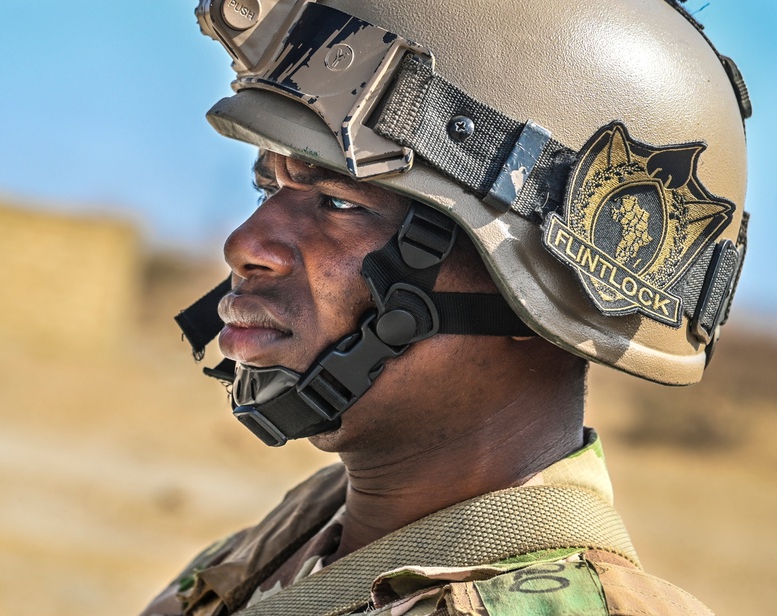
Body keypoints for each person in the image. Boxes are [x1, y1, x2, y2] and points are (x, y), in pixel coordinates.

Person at [142, 0, 752, 614]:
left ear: (537, 293)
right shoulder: (291, 543)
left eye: (340, 203)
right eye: (268, 186)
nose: (244, 246)